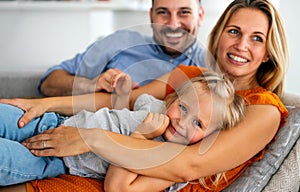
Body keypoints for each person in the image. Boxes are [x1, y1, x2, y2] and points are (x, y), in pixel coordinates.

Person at [0, 0, 289, 191]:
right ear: (219, 33)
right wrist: (41, 104)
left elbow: (190, 164)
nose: (240, 45)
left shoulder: (265, 109)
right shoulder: (191, 75)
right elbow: (124, 100)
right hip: (74, 137)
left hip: (113, 174)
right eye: (234, 31)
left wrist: (91, 137)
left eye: (257, 38)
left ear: (268, 52)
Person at [0, 71, 244, 191]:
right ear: (173, 100)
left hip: (53, 159)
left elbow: (117, 187)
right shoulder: (156, 108)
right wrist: (121, 90)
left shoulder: (171, 165)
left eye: (198, 123)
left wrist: (140, 137)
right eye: (183, 107)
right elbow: (120, 108)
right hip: (52, 122)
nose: (182, 122)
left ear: (210, 138)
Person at [39, 0, 205, 96]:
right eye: (163, 12)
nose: (173, 24)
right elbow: (48, 83)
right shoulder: (119, 42)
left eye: (184, 12)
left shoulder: (212, 66)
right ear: (151, 15)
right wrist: (90, 84)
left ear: (200, 16)